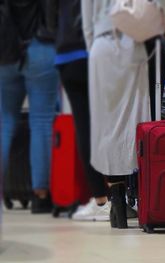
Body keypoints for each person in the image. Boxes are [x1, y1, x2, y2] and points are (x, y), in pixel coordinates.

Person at [81, 0, 165, 228]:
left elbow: (87, 20)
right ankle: (144, 196)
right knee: (141, 121)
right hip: (135, 42)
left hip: (100, 46)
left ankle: (117, 200)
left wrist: (94, 47)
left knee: (108, 124)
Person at [46, 0, 110, 221]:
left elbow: (50, 16)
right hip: (94, 49)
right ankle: (117, 197)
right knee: (106, 124)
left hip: (65, 52)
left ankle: (100, 198)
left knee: (83, 127)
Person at [0, 0, 59, 213]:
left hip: (5, 51)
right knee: (41, 122)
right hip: (41, 46)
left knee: (4, 122)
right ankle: (40, 194)